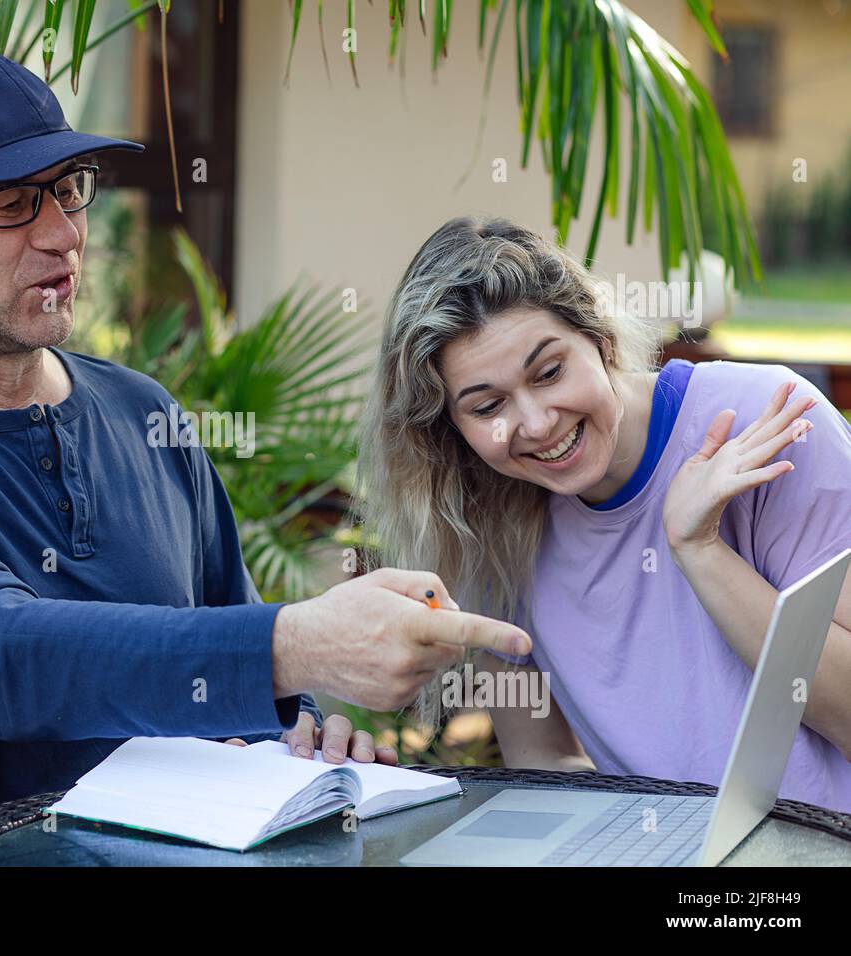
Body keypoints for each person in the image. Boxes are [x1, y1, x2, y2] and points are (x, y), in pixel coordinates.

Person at [0, 52, 530, 866]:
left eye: (69, 188)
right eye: (11, 203)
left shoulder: (145, 414)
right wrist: (301, 640)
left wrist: (307, 740)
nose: (62, 234)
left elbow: (239, 678)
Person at [357, 216, 851, 810]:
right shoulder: (483, 525)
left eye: (549, 372)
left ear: (600, 338)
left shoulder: (769, 420)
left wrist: (700, 550)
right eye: (488, 405)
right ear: (453, 431)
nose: (537, 424)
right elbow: (544, 763)